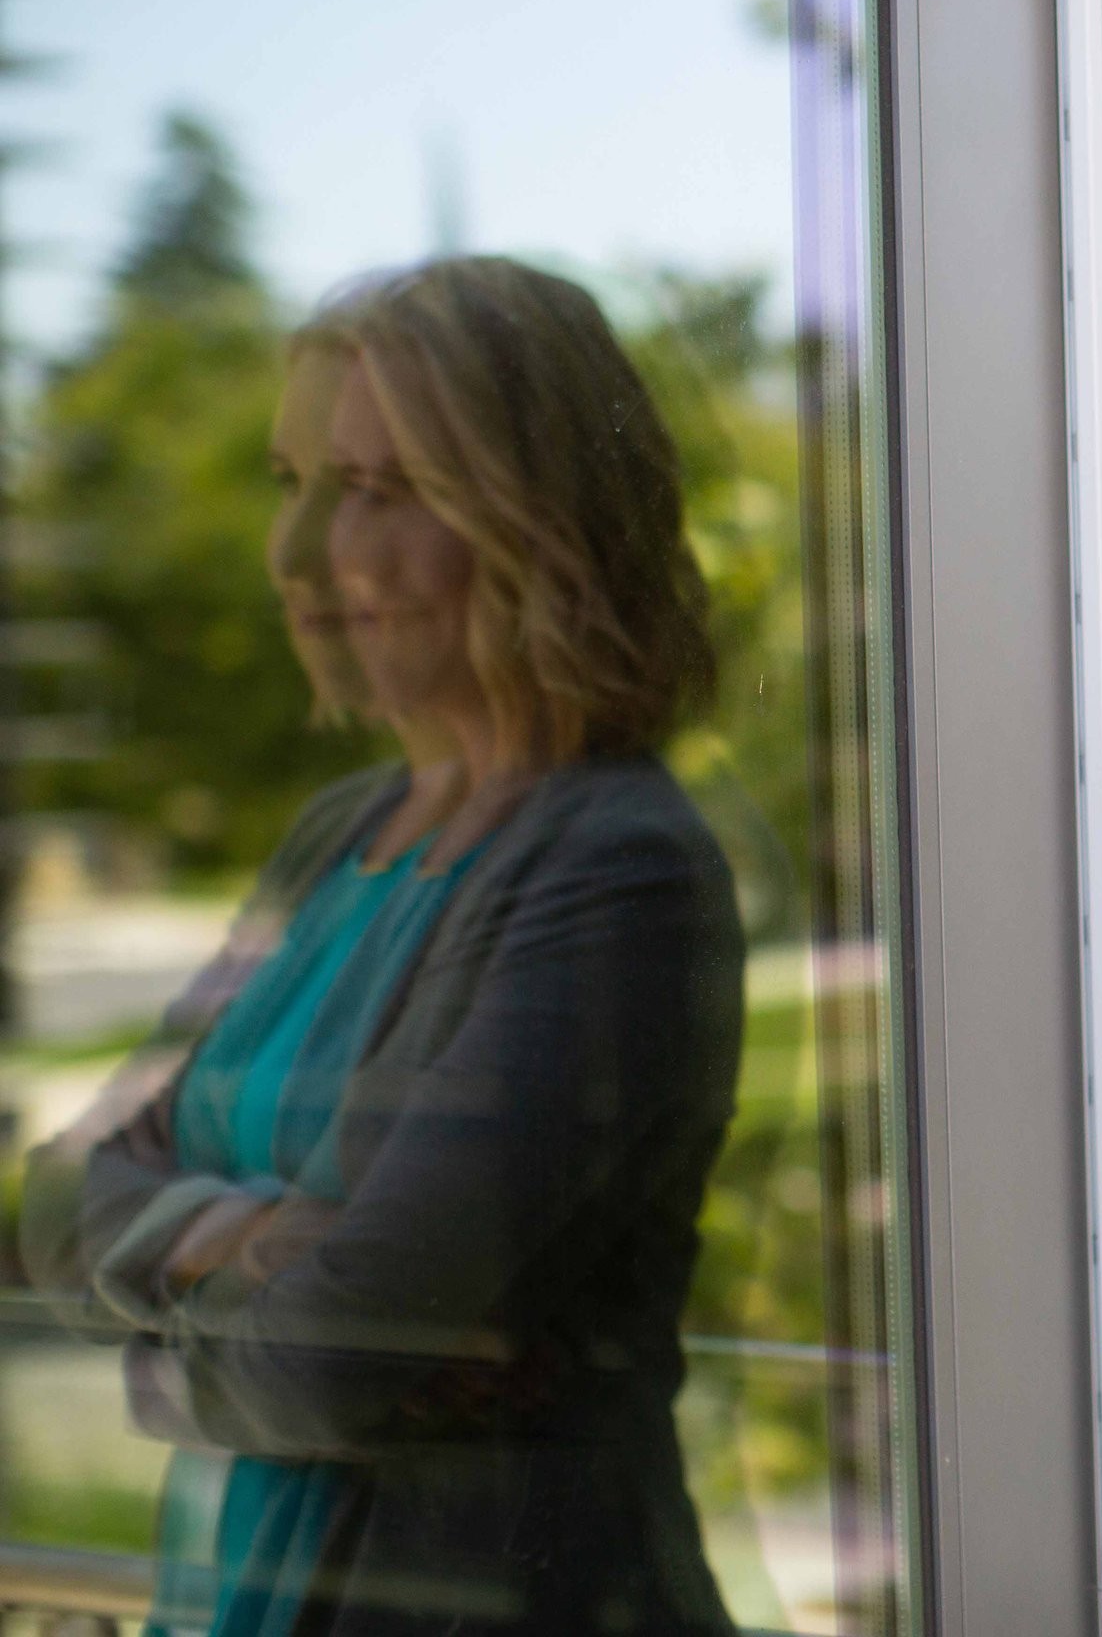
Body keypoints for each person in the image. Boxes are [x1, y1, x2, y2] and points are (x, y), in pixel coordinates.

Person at [19, 256, 743, 1636]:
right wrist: (229, 1237)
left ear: (538, 527)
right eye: (291, 483)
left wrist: (166, 1349)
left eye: (379, 492)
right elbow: (66, 1192)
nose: (299, 557)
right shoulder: (333, 837)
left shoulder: (615, 867)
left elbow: (326, 1369)